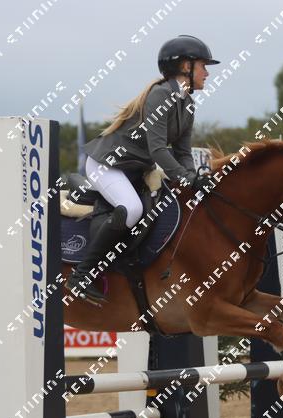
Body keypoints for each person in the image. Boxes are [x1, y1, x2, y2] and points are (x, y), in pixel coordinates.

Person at [65, 35, 219, 303]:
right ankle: (82, 274)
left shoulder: (187, 105)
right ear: (186, 66)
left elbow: (182, 153)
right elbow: (158, 149)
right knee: (132, 209)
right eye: (203, 66)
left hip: (134, 169)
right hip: (107, 164)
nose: (207, 73)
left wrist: (194, 178)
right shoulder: (161, 95)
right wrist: (187, 178)